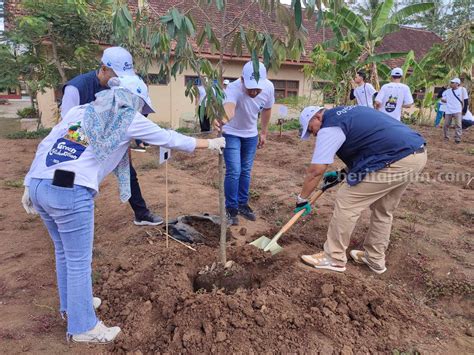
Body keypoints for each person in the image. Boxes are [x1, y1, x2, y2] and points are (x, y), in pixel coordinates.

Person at [21, 75, 225, 344]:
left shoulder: (82, 110)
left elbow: (48, 143)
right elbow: (168, 137)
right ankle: (83, 327)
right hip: (69, 190)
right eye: (142, 105)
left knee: (63, 251)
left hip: (41, 183)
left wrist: (28, 183)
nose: (142, 111)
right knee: (79, 261)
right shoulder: (126, 117)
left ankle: (72, 306)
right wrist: (210, 144)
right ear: (135, 99)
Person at [295, 105, 427, 274]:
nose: (313, 134)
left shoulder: (330, 127)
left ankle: (333, 257)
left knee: (347, 199)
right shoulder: (349, 113)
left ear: (317, 118)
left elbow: (315, 171)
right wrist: (342, 173)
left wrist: (302, 199)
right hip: (414, 154)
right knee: (383, 208)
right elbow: (370, 144)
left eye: (311, 129)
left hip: (396, 158)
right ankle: (375, 259)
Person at [61, 47, 162, 226]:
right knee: (69, 176)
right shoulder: (76, 88)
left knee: (129, 173)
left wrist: (126, 142)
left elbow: (131, 114)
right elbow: (67, 127)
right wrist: (92, 149)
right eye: (117, 75)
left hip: (112, 139)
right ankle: (64, 215)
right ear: (104, 68)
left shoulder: (122, 85)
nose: (120, 81)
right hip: (79, 143)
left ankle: (141, 213)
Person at [214, 61, 275, 225]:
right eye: (251, 88)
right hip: (231, 133)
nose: (255, 92)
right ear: (242, 80)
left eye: (258, 88)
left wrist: (263, 132)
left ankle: (242, 204)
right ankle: (231, 209)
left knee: (246, 171)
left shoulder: (268, 87)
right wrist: (222, 120)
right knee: (234, 170)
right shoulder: (233, 88)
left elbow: (267, 109)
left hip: (251, 135)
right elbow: (229, 108)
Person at [441, 78, 469, 143]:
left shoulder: (462, 90)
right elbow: (442, 97)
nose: (451, 84)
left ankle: (457, 139)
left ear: (457, 84)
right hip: (448, 110)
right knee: (446, 125)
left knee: (458, 125)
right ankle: (446, 138)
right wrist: (444, 99)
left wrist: (464, 110)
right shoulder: (448, 91)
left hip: (458, 110)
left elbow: (466, 100)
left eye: (452, 83)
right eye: (451, 82)